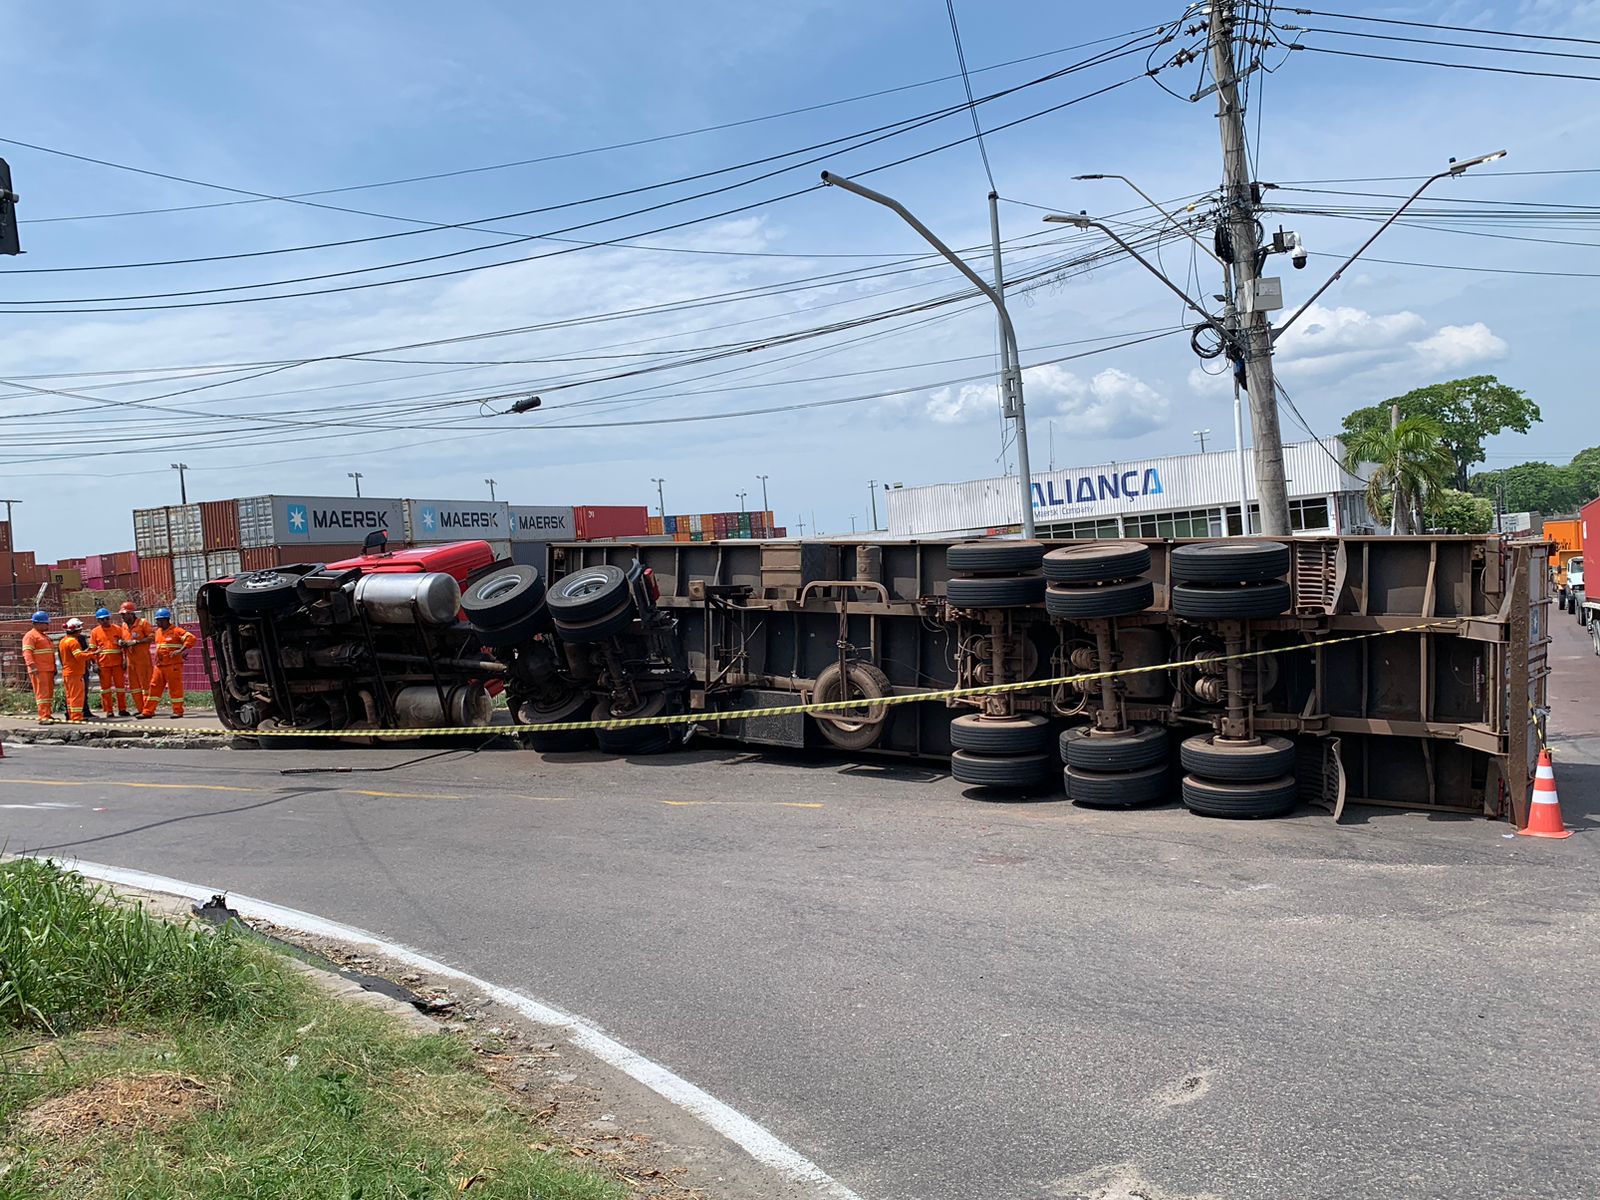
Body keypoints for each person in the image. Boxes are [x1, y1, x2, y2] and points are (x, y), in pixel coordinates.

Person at [140, 608, 196, 719]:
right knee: (154, 687)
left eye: (160, 620)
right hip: (159, 665)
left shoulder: (176, 631)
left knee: (175, 688)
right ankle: (148, 711)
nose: (158, 623)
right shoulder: (158, 632)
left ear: (167, 620)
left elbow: (191, 638)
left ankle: (178, 711)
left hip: (173, 665)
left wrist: (181, 651)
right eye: (157, 620)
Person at [88, 606, 132, 717]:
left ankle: (122, 709)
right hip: (103, 665)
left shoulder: (117, 629)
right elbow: (93, 649)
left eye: (107, 618)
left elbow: (124, 646)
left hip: (117, 663)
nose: (105, 621)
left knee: (120, 688)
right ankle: (109, 710)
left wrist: (124, 660)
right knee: (105, 689)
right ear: (98, 620)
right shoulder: (95, 632)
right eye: (102, 619)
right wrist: (94, 663)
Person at [118, 601, 155, 714]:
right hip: (130, 660)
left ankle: (148, 709)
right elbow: (124, 640)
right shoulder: (123, 626)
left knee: (146, 685)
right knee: (134, 686)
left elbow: (152, 637)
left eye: (124, 614)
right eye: (122, 615)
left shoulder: (143, 623)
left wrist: (136, 642)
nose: (123, 617)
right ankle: (140, 709)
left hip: (142, 659)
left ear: (131, 614)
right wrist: (122, 643)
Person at [22, 610, 57, 723]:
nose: (48, 625)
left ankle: (47, 713)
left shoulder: (43, 636)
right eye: (45, 623)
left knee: (48, 693)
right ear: (37, 623)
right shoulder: (30, 636)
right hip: (39, 670)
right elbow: (27, 652)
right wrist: (32, 666)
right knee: (42, 693)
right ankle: (43, 716)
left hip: (48, 669)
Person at [57, 617, 94, 723]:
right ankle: (77, 717)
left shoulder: (63, 641)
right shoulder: (73, 642)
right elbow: (79, 657)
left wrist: (86, 652)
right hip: (75, 673)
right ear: (78, 630)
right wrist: (93, 654)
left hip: (68, 672)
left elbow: (72, 655)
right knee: (77, 696)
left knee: (70, 696)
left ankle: (71, 715)